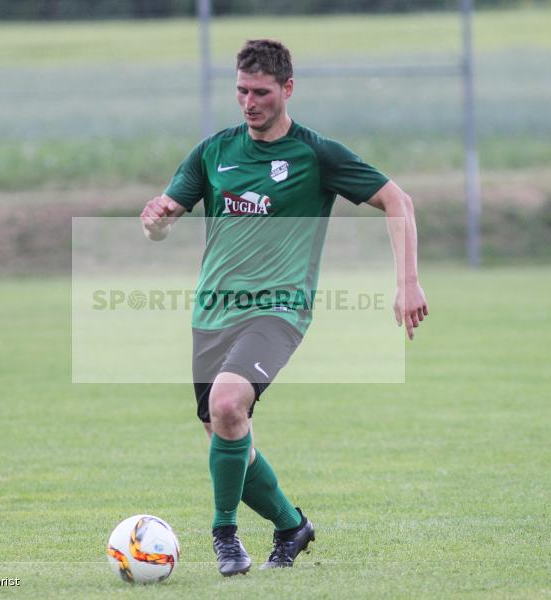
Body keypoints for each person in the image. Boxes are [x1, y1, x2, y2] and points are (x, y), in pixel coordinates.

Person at [139, 39, 428, 577]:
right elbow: (163, 221)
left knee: (227, 406)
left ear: (287, 89)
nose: (249, 103)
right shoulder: (213, 152)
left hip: (278, 310)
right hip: (212, 312)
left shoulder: (314, 155)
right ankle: (292, 526)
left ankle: (224, 536)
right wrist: (155, 220)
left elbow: (398, 200)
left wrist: (406, 282)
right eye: (242, 91)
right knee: (227, 432)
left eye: (262, 92)